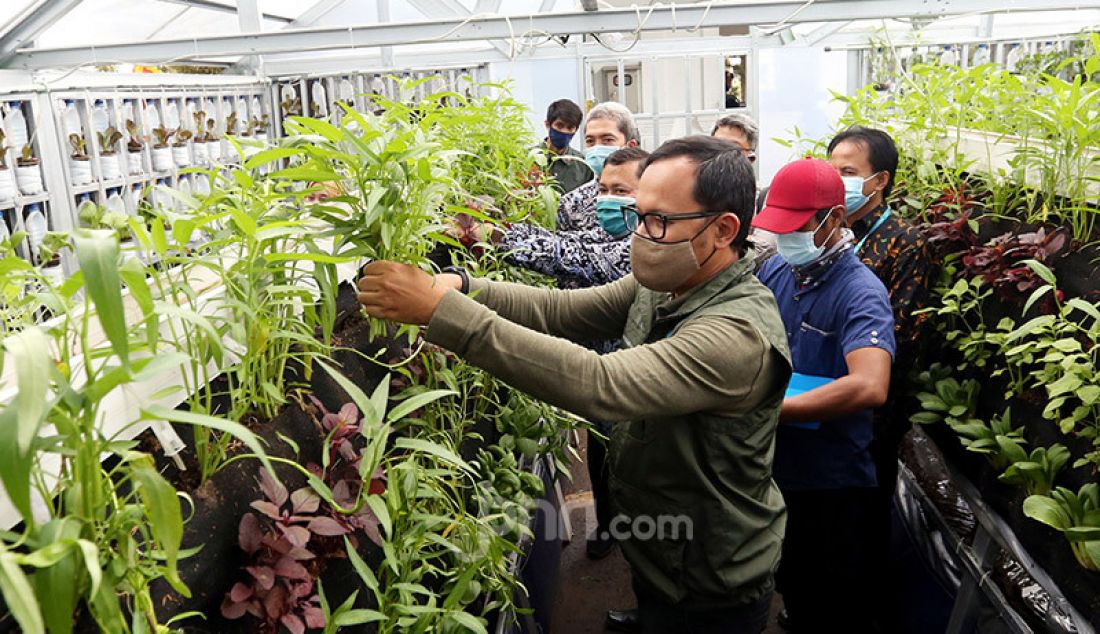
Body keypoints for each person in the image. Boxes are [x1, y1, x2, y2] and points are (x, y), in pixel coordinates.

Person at [358, 136, 791, 634]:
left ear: (722, 229)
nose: (640, 235)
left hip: (713, 580)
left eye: (658, 221)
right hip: (664, 554)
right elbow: (561, 311)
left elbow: (599, 382)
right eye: (638, 214)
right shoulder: (668, 283)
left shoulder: (735, 335)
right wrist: (462, 286)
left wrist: (442, 314)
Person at [459, 147, 649, 561]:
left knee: (638, 472)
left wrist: (493, 241)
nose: (606, 199)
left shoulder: (640, 249)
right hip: (606, 370)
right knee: (603, 454)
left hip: (630, 377)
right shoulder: (610, 232)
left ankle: (634, 542)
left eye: (620, 190)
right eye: (602, 189)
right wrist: (495, 230)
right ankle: (615, 530)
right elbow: (565, 242)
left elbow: (573, 257)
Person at [752, 158, 895, 634]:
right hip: (778, 468)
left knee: (827, 597)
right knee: (790, 579)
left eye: (795, 228)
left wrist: (772, 409)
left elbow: (870, 384)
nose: (784, 238)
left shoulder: (860, 292)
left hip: (828, 481)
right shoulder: (776, 271)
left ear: (834, 220)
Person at [827, 125, 936, 631]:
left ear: (880, 181)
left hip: (872, 413)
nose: (837, 181)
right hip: (820, 395)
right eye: (832, 170)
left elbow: (903, 335)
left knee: (862, 516)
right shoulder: (826, 232)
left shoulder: (904, 244)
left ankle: (857, 610)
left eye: (847, 172)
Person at [554, 102, 640, 237]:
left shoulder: (650, 197)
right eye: (590, 141)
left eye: (607, 140)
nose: (597, 148)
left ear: (631, 145)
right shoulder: (571, 204)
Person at [541, 99, 593, 194]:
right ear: (547, 124)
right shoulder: (528, 158)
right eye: (559, 126)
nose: (564, 131)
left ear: (576, 130)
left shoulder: (582, 165)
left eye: (570, 128)